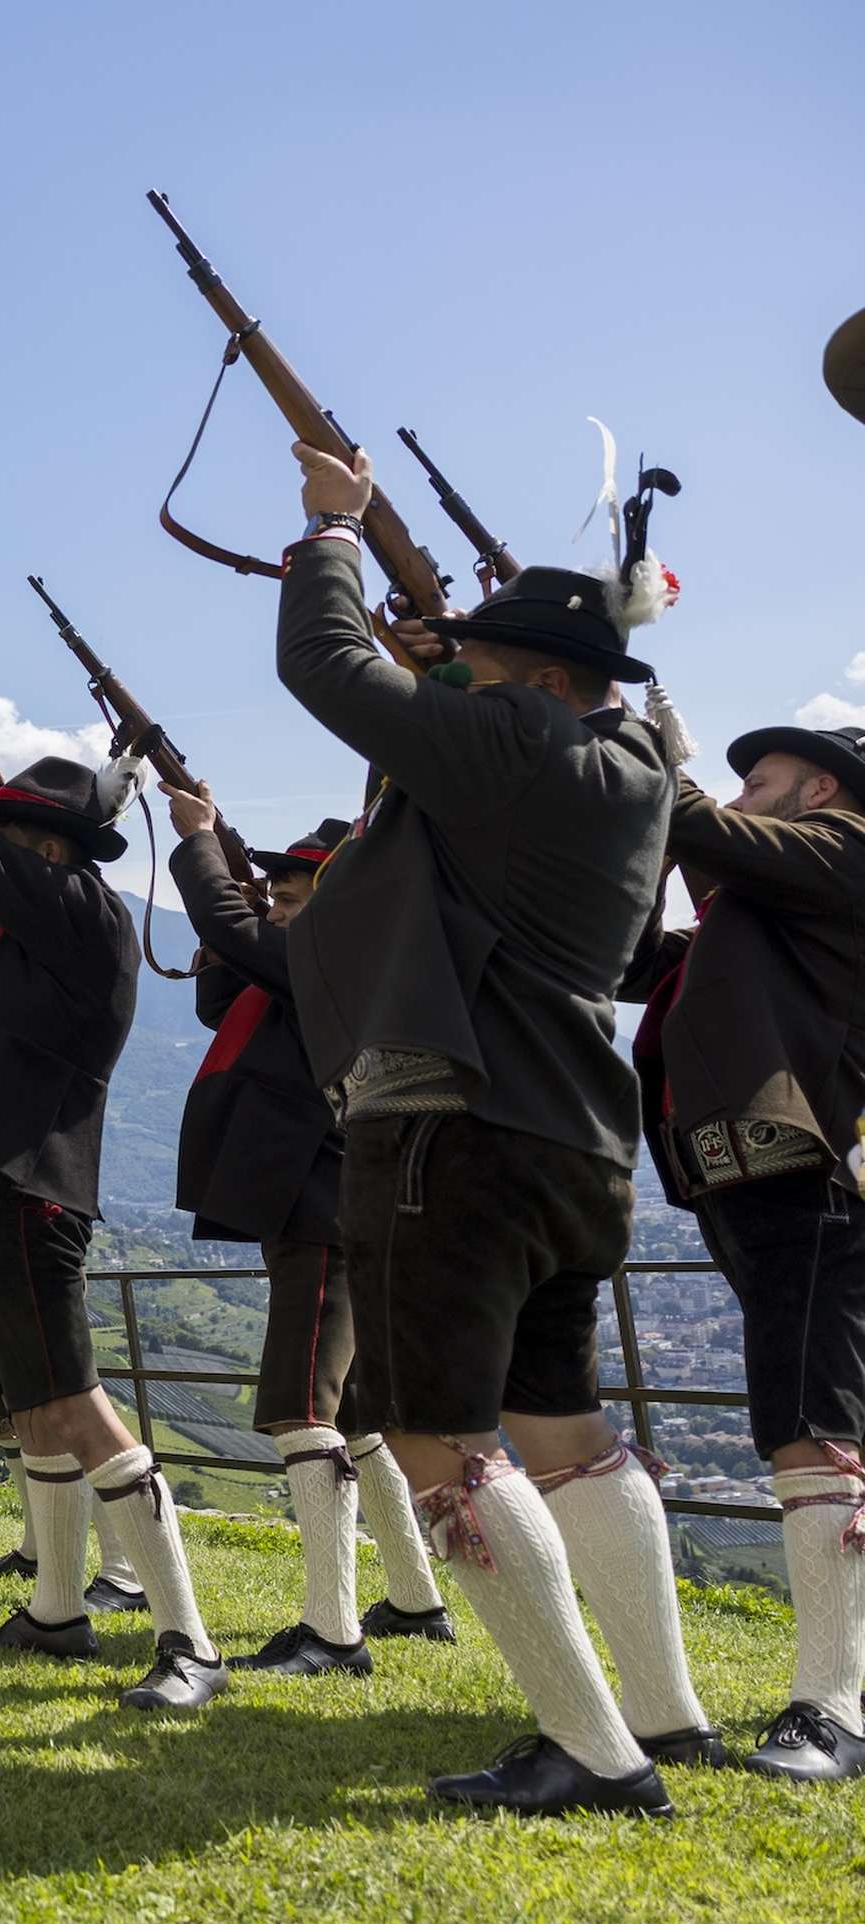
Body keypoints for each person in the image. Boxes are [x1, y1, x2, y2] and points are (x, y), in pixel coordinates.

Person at [275, 440, 700, 1815]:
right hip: (574, 1131)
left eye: (487, 667)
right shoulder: (630, 768)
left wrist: (331, 536)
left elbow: (331, 676)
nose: (460, 676)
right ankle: (666, 1713)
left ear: (548, 686)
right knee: (565, 1430)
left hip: (455, 1127)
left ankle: (593, 1747)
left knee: (434, 1436)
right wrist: (452, 660)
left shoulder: (522, 744)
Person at [0, 673, 223, 1704]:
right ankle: (58, 1611)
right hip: (1, 1174)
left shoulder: (77, 912)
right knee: (33, 1412)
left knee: (75, 1405)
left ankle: (189, 1640)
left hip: (32, 1185)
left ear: (54, 853)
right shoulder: (36, 933)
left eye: (19, 837)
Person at [161, 797, 453, 1675]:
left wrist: (201, 844)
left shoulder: (340, 955)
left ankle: (332, 1633)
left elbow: (229, 927)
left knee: (302, 1411)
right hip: (322, 1199)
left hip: (322, 1203)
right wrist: (245, 906)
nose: (277, 913)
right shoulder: (311, 963)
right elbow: (223, 990)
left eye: (293, 898)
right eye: (274, 898)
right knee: (358, 1418)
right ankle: (414, 1599)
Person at [627, 716, 865, 1780]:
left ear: (819, 791)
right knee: (807, 1416)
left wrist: (641, 747)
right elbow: (638, 948)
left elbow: (691, 822)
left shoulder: (850, 845)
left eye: (758, 778)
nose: (740, 791)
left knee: (811, 1425)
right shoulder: (763, 905)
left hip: (811, 1176)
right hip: (759, 1178)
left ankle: (837, 1707)